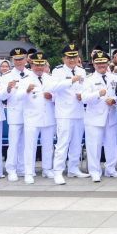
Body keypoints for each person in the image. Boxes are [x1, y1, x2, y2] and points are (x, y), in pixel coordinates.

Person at [50, 45, 89, 183]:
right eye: (69, 57)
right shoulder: (57, 71)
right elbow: (53, 87)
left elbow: (85, 88)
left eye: (74, 57)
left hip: (78, 111)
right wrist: (70, 80)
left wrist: (82, 95)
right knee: (62, 143)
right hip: (64, 113)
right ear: (63, 58)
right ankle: (58, 171)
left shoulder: (81, 71)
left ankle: (73, 168)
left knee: (77, 143)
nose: (72, 60)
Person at [83, 50, 117, 183]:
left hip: (111, 116)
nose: (101, 65)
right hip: (94, 118)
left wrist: (115, 100)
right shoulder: (88, 79)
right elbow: (84, 98)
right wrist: (98, 94)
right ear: (93, 64)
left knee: (112, 145)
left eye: (103, 62)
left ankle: (111, 169)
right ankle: (95, 172)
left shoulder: (115, 78)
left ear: (108, 63)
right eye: (98, 63)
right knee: (94, 146)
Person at [22, 52, 58, 183]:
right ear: (32, 65)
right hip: (32, 118)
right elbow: (17, 97)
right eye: (36, 65)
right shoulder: (25, 79)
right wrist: (26, 91)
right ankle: (29, 172)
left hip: (48, 116)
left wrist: (52, 97)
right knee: (30, 146)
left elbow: (58, 95)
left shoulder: (50, 78)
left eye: (41, 65)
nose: (39, 68)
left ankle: (47, 169)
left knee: (48, 145)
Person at [0, 49, 31, 181]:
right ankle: (11, 169)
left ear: (26, 59)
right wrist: (8, 88)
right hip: (15, 113)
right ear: (13, 60)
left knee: (26, 143)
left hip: (29, 113)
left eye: (21, 59)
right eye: (16, 59)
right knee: (13, 143)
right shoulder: (7, 75)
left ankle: (22, 168)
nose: (18, 62)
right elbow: (2, 96)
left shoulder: (31, 73)